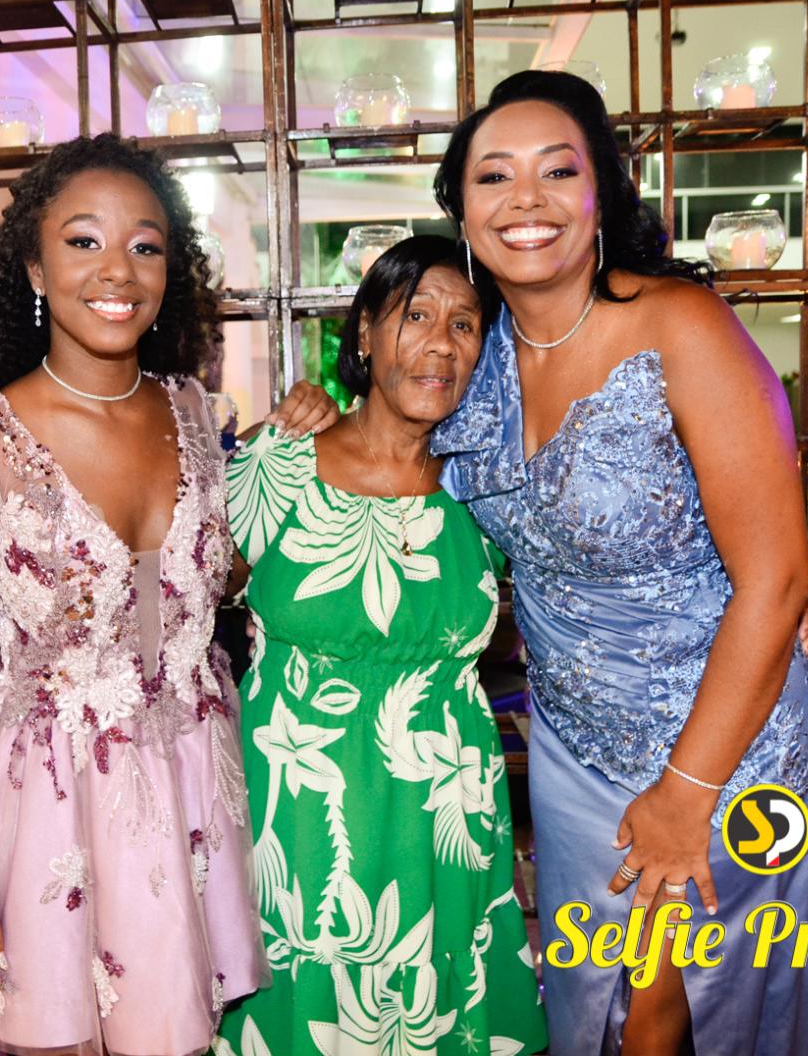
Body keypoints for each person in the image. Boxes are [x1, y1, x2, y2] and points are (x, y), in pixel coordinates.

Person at [431, 70, 808, 1056]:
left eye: (557, 170)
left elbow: (777, 578)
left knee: (675, 1016)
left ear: (602, 193)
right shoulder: (472, 357)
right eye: (493, 176)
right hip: (573, 752)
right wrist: (308, 422)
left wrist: (685, 794)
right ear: (462, 210)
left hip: (728, 745)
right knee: (591, 1012)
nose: (525, 200)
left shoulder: (679, 324)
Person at [0, 133, 334, 1056]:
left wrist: (302, 443)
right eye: (82, 241)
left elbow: (183, 592)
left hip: (187, 783)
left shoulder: (196, 414)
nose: (117, 270)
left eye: (145, 246)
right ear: (33, 266)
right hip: (49, 803)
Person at [215, 236, 548, 1056]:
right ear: (364, 333)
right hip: (298, 813)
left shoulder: (485, 483)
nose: (442, 343)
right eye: (417, 316)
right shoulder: (278, 462)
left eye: (464, 324)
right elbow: (171, 605)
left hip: (444, 815)